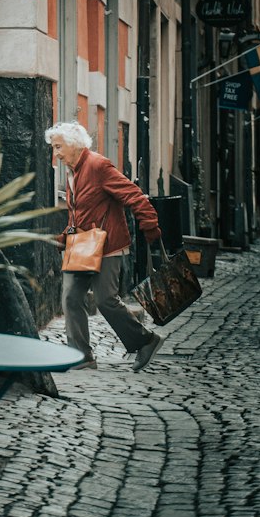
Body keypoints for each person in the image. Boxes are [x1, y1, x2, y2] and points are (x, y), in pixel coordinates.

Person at [45, 120, 164, 372]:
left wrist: (150, 224)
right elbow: (78, 214)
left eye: (58, 147)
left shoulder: (98, 165)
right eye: (53, 148)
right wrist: (66, 235)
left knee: (105, 300)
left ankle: (145, 340)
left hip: (108, 245)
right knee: (71, 297)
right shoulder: (71, 174)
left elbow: (133, 194)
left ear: (74, 145)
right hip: (81, 246)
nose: (55, 154)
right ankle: (81, 356)